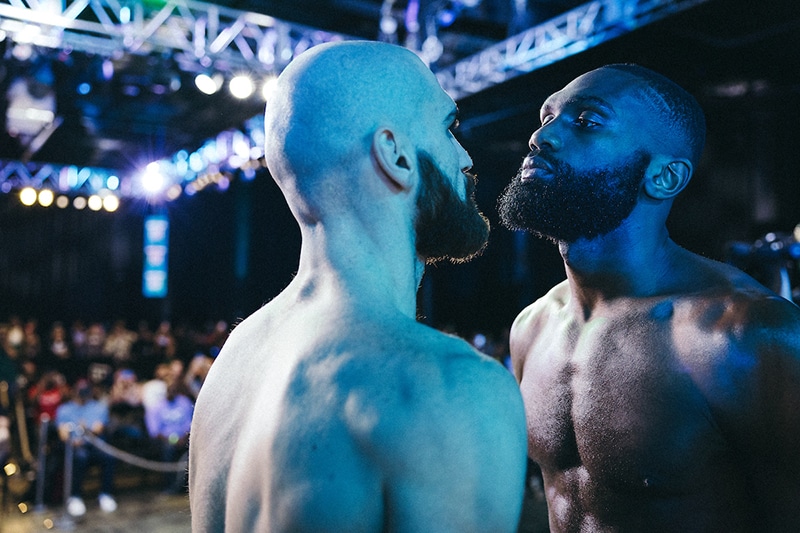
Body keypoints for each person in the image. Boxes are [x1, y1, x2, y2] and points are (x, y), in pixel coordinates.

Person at [189, 40, 527, 532]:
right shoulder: (447, 386)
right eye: (448, 128)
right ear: (395, 155)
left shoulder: (236, 361)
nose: (465, 156)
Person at [497, 63, 800, 531]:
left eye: (587, 120)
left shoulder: (745, 334)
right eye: (546, 117)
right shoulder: (531, 327)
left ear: (663, 177)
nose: (542, 137)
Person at [55, 378, 117, 517]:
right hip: (74, 447)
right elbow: (62, 433)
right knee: (80, 458)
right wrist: (72, 439)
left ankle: (105, 494)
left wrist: (86, 430)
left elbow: (98, 428)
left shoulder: (98, 407)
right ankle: (75, 497)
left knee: (109, 457)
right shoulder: (64, 409)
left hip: (94, 445)